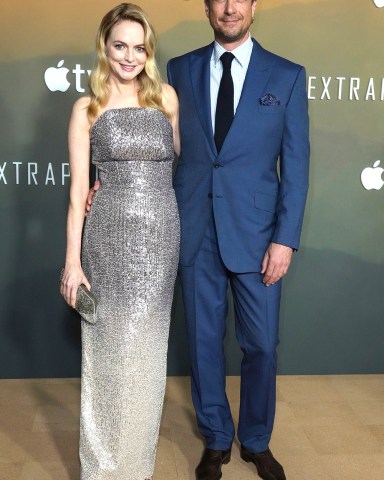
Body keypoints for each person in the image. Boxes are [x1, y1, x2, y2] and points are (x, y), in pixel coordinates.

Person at [166, 1, 310, 479]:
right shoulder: (179, 69)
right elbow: (165, 142)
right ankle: (215, 437)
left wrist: (285, 240)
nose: (230, 8)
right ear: (207, 8)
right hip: (196, 230)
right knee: (204, 343)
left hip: (258, 235)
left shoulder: (286, 75)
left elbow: (296, 166)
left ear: (253, 6)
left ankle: (255, 439)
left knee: (262, 346)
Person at [60, 3, 180, 480]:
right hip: (108, 239)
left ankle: (136, 468)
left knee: (147, 358)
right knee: (109, 357)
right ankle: (102, 469)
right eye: (119, 46)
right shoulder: (86, 108)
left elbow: (180, 166)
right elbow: (76, 192)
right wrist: (72, 263)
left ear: (148, 50)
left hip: (161, 238)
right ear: (104, 47)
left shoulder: (166, 99)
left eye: (138, 46)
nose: (129, 57)